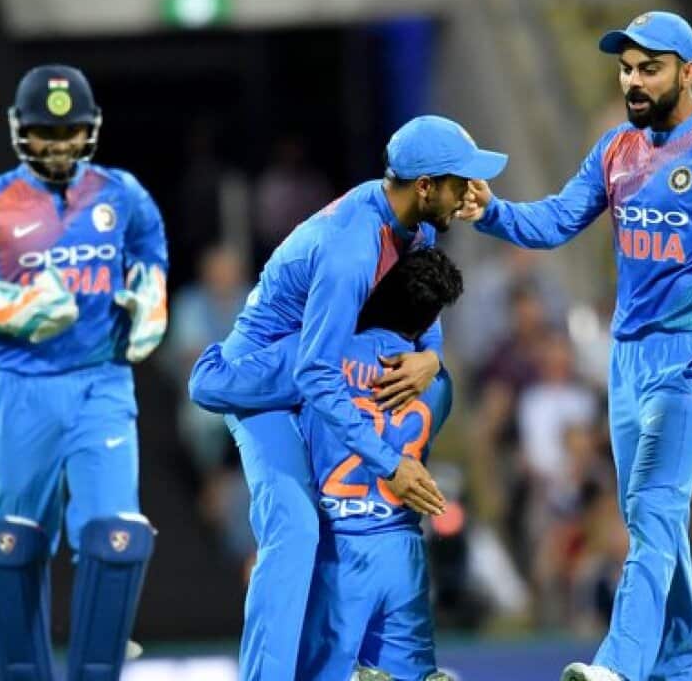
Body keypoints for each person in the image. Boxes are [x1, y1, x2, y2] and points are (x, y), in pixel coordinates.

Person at [459, 11, 692, 681]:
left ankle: (620, 664)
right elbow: (558, 218)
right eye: (627, 68)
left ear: (689, 71)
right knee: (657, 523)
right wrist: (493, 210)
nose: (634, 81)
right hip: (628, 359)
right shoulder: (616, 149)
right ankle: (677, 671)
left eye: (650, 68)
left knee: (651, 508)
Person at [191, 115, 506, 680]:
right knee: (296, 525)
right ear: (426, 186)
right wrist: (392, 463)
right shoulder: (352, 251)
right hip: (268, 385)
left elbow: (421, 327)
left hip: (320, 366)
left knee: (336, 525)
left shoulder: (418, 226)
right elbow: (314, 374)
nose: (471, 194)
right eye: (461, 181)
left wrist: (433, 357)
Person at [0, 64, 168, 681]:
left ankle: (98, 668)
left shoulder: (123, 196)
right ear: (19, 131)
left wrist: (151, 297)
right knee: (14, 541)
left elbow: (150, 248)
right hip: (22, 388)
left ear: (90, 130)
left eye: (70, 132)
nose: (58, 145)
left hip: (103, 381)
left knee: (116, 535)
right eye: (43, 133)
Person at [192, 248, 463, 681]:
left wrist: (239, 339)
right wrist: (431, 354)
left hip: (338, 553)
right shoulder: (439, 386)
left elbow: (210, 386)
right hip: (403, 556)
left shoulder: (318, 355)